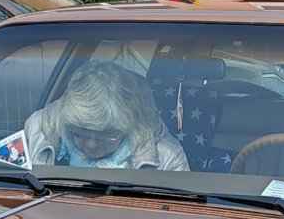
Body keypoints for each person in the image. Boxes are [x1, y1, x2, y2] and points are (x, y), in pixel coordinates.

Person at [23, 62, 189, 171]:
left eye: (105, 137)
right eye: (79, 134)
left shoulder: (167, 158)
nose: (91, 145)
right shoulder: (38, 129)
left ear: (130, 125)